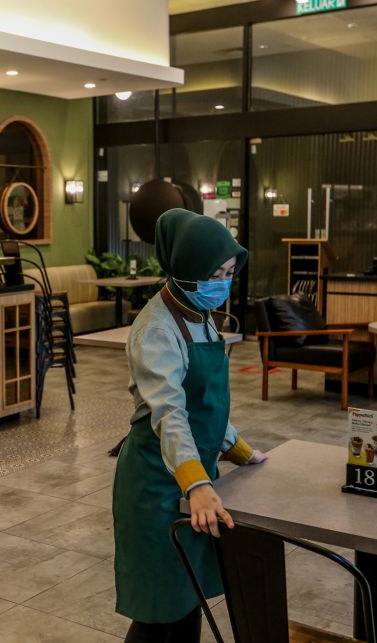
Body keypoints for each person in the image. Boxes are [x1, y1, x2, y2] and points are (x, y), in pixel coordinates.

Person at [112, 209, 267, 642]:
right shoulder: (157, 330)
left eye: (230, 272)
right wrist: (196, 484)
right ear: (189, 270)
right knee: (160, 609)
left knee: (188, 596)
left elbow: (205, 406)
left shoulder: (200, 314)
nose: (225, 282)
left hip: (193, 475)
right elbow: (170, 413)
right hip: (157, 482)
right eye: (217, 272)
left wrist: (239, 450)